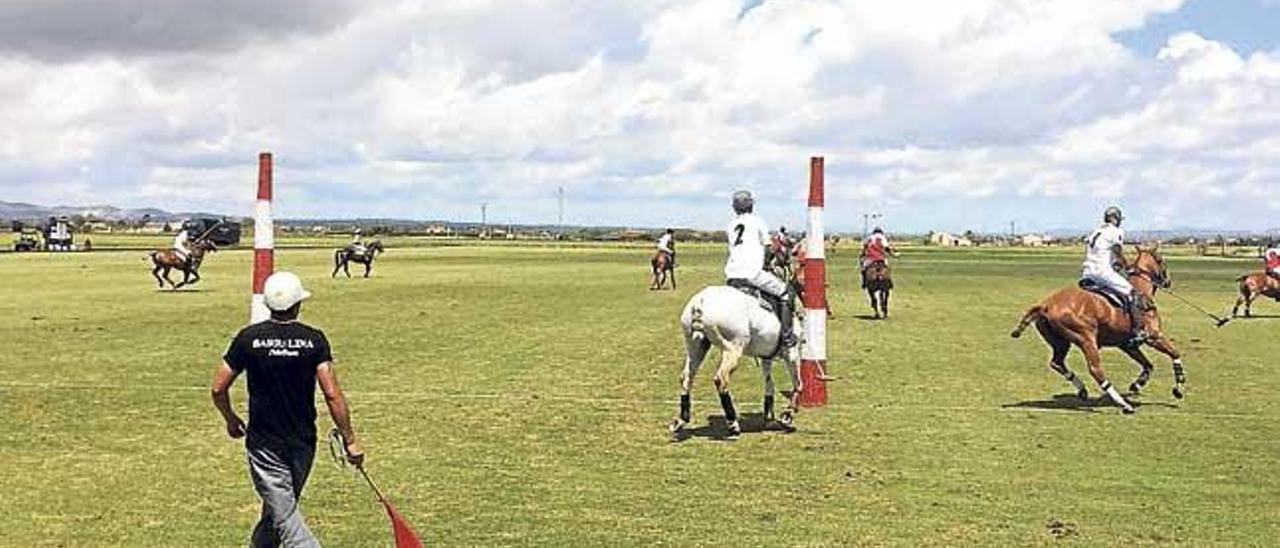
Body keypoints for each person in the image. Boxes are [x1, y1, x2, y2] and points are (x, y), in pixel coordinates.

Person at [211, 272, 364, 548]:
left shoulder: (248, 338)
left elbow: (218, 388)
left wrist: (230, 419)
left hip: (263, 442)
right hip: (303, 442)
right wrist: (350, 440)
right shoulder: (314, 339)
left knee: (280, 512)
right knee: (286, 515)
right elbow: (332, 393)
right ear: (298, 304)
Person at [725, 190, 796, 348]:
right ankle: (787, 337)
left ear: (735, 207)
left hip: (731, 275)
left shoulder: (730, 225)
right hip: (752, 273)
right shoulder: (757, 222)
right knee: (787, 292)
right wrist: (767, 262)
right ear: (750, 205)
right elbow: (769, 248)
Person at [1082, 206, 1146, 345]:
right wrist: (1128, 266)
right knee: (1132, 293)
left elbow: (1103, 253)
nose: (1120, 222)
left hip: (1087, 272)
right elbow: (1117, 251)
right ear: (1115, 218)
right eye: (1119, 219)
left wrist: (1116, 265)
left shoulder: (1096, 232)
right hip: (1102, 272)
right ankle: (1138, 331)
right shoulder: (1116, 231)